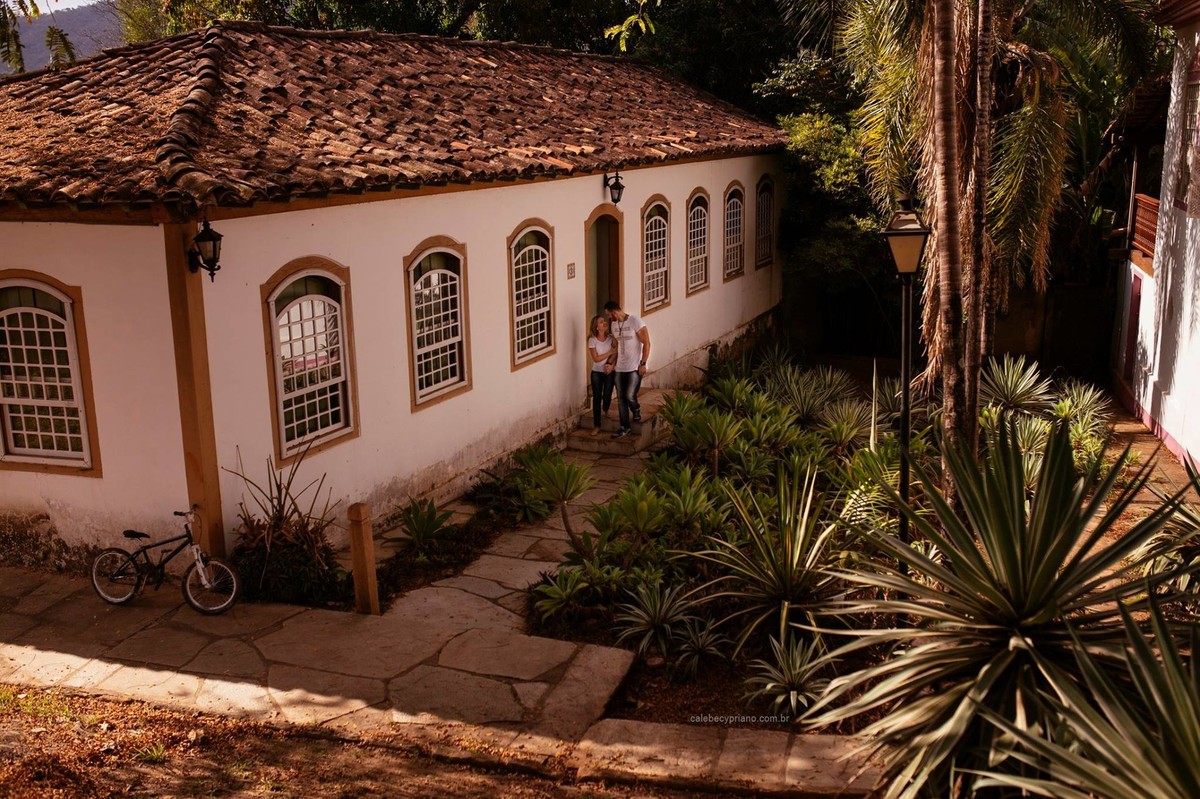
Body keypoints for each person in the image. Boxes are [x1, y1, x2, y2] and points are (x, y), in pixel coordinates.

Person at [604, 300, 650, 438]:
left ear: (614, 311)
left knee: (630, 395)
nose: (609, 317)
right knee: (621, 398)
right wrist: (612, 364)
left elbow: (647, 343)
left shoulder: (635, 321)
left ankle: (636, 409)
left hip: (634, 366)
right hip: (620, 367)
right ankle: (624, 426)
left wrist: (643, 363)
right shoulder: (614, 325)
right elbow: (616, 347)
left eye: (609, 314)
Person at [586, 314, 617, 436]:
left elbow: (616, 353)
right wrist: (610, 352)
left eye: (604, 321)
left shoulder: (611, 338)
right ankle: (597, 425)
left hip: (609, 371)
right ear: (596, 327)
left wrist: (611, 365)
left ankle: (606, 409)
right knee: (597, 398)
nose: (604, 323)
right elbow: (596, 358)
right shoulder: (592, 340)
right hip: (596, 373)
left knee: (608, 394)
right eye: (601, 322)